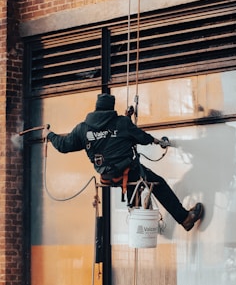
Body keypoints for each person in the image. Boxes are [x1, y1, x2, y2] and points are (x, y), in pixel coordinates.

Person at [44, 93, 203, 231]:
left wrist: (49, 134)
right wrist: (158, 142)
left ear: (96, 108)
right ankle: (184, 219)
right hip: (129, 172)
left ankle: (138, 216)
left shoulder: (83, 129)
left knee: (136, 185)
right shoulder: (121, 123)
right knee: (157, 183)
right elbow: (140, 137)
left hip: (107, 178)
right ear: (111, 109)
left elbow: (63, 146)